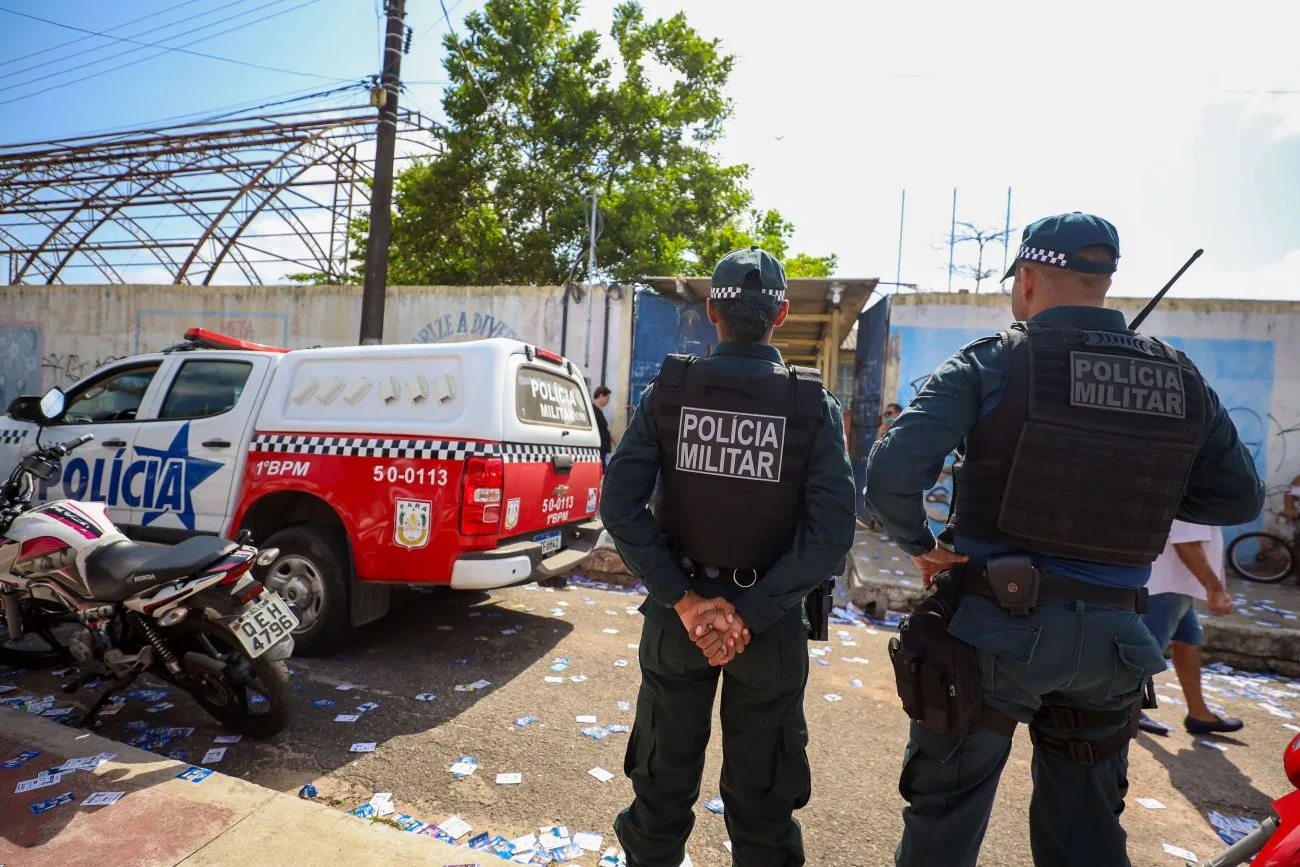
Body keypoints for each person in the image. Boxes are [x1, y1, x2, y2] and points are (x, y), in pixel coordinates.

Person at [864, 212, 1263, 867]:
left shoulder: (995, 360)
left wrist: (921, 542)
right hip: (1114, 643)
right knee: (1085, 835)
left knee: (943, 820)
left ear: (1026, 280)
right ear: (1104, 282)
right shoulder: (1181, 377)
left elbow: (891, 473)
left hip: (992, 633)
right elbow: (1238, 496)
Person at [600, 245, 857, 867]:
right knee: (764, 805)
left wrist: (685, 601)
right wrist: (753, 613)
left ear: (712, 310)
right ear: (783, 314)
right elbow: (829, 535)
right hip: (767, 633)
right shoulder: (809, 405)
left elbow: (620, 505)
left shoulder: (671, 391)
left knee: (661, 791)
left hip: (677, 618)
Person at [1138, 521, 1242, 735]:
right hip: (1167, 587)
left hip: (1178, 586)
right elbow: (1185, 543)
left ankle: (1198, 713)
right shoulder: (1189, 492)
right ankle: (1123, 712)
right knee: (1145, 653)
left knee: (1188, 642)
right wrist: (1215, 589)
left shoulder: (1197, 493)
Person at [592, 385, 615, 468]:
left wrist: (615, 441)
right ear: (601, 395)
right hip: (598, 451)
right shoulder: (592, 410)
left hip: (603, 451)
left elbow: (604, 429)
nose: (608, 401)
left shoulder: (599, 411)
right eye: (607, 398)